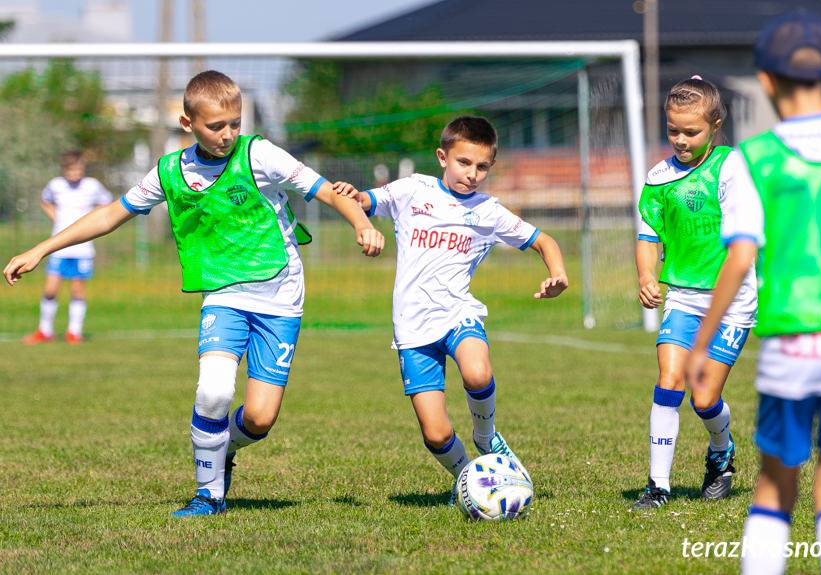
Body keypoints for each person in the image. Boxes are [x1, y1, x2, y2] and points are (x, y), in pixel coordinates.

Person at [4, 70, 385, 517]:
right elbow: (110, 215)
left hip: (280, 295)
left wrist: (362, 224)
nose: (228, 134)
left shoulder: (260, 154)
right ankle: (208, 494)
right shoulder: (169, 170)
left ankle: (223, 450)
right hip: (223, 296)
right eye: (215, 126)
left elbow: (325, 190)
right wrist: (42, 248)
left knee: (260, 419)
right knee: (214, 392)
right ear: (188, 124)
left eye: (235, 123)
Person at [686, 11, 821, 574]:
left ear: (765, 81)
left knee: (774, 486)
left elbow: (739, 258)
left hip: (789, 345)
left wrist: (700, 345)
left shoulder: (753, 159)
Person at [351, 116, 568, 502]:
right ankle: (468, 477)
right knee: (435, 434)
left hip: (458, 314)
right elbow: (366, 201)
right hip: (412, 330)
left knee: (477, 370)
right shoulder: (412, 190)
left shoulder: (489, 211)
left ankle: (486, 437)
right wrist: (355, 202)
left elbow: (545, 241)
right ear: (442, 157)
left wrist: (558, 276)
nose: (472, 174)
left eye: (482, 167)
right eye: (463, 163)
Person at [632, 77, 758, 509]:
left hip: (731, 302)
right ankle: (658, 486)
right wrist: (647, 275)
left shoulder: (730, 167)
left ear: (715, 126)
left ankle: (721, 453)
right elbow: (648, 234)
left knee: (704, 398)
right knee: (669, 381)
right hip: (683, 298)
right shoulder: (659, 177)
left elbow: (742, 237)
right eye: (673, 131)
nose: (681, 141)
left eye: (692, 132)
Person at [22, 150, 113, 345]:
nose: (75, 173)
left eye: (78, 169)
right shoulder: (56, 185)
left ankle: (74, 332)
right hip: (59, 246)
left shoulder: (92, 186)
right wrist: (57, 218)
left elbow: (107, 204)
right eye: (71, 169)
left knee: (77, 290)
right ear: (64, 170)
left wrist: (91, 222)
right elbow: (44, 200)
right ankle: (45, 331)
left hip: (83, 247)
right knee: (50, 289)